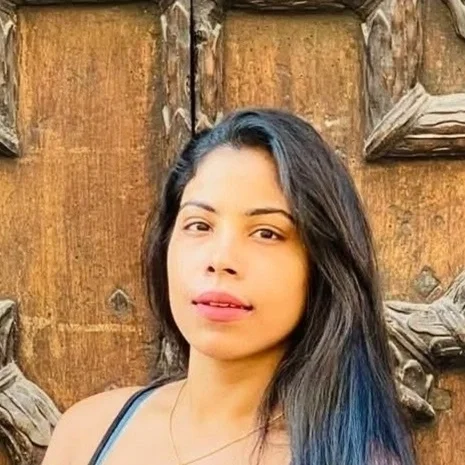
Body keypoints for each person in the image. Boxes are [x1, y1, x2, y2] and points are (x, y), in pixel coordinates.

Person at [41, 109, 417, 465]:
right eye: (199, 225)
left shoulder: (353, 457)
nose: (221, 259)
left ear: (321, 267)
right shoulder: (87, 434)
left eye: (267, 233)